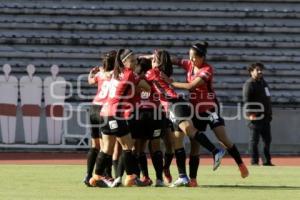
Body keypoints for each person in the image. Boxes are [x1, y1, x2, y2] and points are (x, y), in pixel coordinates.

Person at [142, 49, 226, 187]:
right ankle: (183, 176)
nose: (150, 61)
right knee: (178, 142)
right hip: (178, 104)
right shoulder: (162, 72)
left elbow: (139, 66)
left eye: (153, 60)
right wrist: (154, 56)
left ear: (157, 62)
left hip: (174, 105)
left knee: (190, 131)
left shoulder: (152, 72)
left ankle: (216, 151)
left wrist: (147, 59)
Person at [168, 42, 249, 184]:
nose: (191, 60)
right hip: (195, 111)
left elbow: (191, 86)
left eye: (194, 57)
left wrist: (171, 83)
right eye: (190, 56)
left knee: (223, 138)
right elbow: (174, 60)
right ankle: (193, 180)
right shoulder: (190, 64)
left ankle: (241, 165)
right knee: (194, 145)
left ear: (202, 57)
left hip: (209, 108)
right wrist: (153, 57)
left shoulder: (207, 69)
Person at [89, 49, 151, 187]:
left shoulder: (115, 73)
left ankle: (95, 177)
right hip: (115, 115)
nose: (135, 63)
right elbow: (147, 88)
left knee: (107, 148)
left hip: (104, 113)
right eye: (133, 61)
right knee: (128, 146)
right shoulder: (130, 74)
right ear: (124, 62)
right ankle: (130, 177)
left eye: (136, 60)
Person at [83, 50, 116, 186]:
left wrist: (92, 73)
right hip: (104, 109)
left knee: (94, 145)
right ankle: (106, 175)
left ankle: (88, 175)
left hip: (93, 108)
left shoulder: (100, 74)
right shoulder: (114, 74)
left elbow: (90, 81)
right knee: (106, 146)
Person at [243, 62, 274, 166]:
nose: (260, 71)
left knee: (267, 140)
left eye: (261, 70)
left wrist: (269, 113)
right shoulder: (249, 84)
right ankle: (254, 161)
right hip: (255, 117)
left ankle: (266, 161)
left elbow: (267, 98)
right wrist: (251, 113)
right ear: (251, 72)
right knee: (254, 140)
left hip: (265, 116)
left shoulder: (263, 83)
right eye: (257, 70)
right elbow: (246, 100)